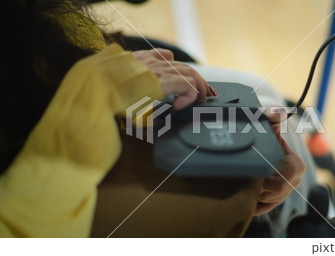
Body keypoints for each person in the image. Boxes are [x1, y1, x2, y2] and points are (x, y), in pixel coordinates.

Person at [0, 0, 306, 237]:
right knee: (267, 160)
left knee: (260, 93)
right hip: (46, 180)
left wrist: (114, 70)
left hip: (75, 80)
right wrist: (97, 86)